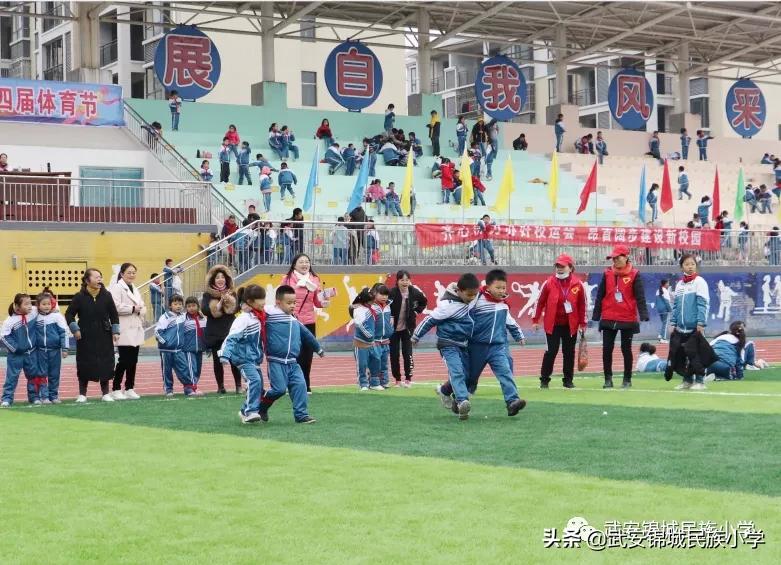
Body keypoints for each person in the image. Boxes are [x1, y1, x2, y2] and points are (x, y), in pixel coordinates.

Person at [412, 274, 480, 420]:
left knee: (466, 376)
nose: (472, 298)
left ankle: (444, 391)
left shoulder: (473, 299)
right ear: (460, 291)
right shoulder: (448, 306)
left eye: (474, 295)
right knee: (457, 372)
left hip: (464, 344)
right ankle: (462, 401)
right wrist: (416, 336)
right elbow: (430, 320)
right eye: (469, 295)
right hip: (448, 344)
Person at [463, 270, 526, 416]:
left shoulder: (503, 305)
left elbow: (510, 321)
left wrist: (519, 335)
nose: (501, 291)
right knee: (471, 377)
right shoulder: (477, 300)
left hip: (497, 347)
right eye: (498, 288)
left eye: (503, 288)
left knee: (505, 372)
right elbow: (465, 315)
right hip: (477, 346)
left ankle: (512, 401)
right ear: (488, 286)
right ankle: (461, 399)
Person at [257, 285, 322, 423]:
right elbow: (254, 311)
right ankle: (261, 406)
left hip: (293, 362)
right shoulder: (269, 315)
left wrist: (318, 348)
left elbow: (306, 334)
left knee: (300, 386)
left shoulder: (293, 319)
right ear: (278, 303)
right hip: (276, 361)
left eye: (294, 303)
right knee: (279, 389)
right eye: (289, 303)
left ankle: (301, 415)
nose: (293, 305)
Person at [592, 245, 649, 389]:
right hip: (609, 316)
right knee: (607, 349)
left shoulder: (635, 274)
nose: (615, 260)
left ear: (626, 257)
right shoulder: (607, 274)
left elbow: (640, 296)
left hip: (627, 317)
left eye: (618, 257)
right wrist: (596, 314)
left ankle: (627, 379)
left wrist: (643, 313)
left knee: (626, 349)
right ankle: (608, 379)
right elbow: (600, 295)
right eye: (613, 258)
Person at [532, 254, 587, 389]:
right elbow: (539, 302)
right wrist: (535, 319)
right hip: (553, 324)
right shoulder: (549, 283)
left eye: (562, 266)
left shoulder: (578, 284)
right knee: (551, 352)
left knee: (569, 353)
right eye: (557, 266)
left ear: (570, 267)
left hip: (571, 325)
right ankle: (544, 379)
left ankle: (568, 380)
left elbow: (582, 305)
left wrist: (583, 323)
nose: (559, 269)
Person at [65, 268, 120, 403]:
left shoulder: (107, 295)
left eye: (100, 277)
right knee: (84, 362)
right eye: (96, 277)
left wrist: (116, 331)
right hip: (85, 335)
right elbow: (69, 314)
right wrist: (75, 329)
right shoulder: (79, 297)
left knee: (106, 362)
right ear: (87, 280)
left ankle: (105, 393)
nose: (99, 279)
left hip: (104, 334)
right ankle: (82, 394)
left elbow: (114, 314)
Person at [281, 254, 330, 394]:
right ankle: (290, 384)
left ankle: (305, 385)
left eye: (307, 262)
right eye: (301, 262)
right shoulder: (287, 279)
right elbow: (281, 300)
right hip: (292, 320)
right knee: (292, 354)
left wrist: (324, 300)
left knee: (307, 355)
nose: (304, 264)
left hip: (309, 322)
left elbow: (317, 301)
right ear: (294, 264)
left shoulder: (314, 279)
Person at [218, 285, 266, 423]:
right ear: (250, 302)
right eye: (260, 299)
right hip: (243, 359)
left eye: (264, 298)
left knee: (259, 386)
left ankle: (245, 410)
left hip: (254, 359)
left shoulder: (258, 316)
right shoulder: (243, 318)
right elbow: (231, 337)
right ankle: (249, 412)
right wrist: (224, 354)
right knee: (254, 381)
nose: (263, 302)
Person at [667, 253, 711, 390]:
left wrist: (700, 323)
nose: (690, 267)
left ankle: (700, 381)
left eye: (692, 264)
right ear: (681, 267)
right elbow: (676, 306)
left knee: (695, 355)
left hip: (695, 326)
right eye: (687, 264)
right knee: (683, 354)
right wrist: (673, 323)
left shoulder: (700, 282)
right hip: (681, 327)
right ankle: (687, 380)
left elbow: (702, 304)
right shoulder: (679, 284)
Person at [201, 265, 242, 394]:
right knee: (217, 360)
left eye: (223, 277)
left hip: (230, 330)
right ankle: (220, 386)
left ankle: (238, 386)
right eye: (217, 277)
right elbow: (205, 310)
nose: (220, 279)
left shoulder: (232, 292)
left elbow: (235, 309)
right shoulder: (208, 294)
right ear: (213, 280)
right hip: (215, 332)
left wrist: (228, 300)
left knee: (234, 359)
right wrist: (218, 304)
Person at [110, 263, 146, 400]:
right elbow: (116, 307)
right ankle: (116, 388)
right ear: (122, 273)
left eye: (134, 272)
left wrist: (140, 309)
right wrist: (133, 309)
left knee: (133, 360)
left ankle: (130, 387)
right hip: (124, 328)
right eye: (129, 272)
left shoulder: (134, 288)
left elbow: (142, 305)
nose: (132, 275)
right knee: (124, 360)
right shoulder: (117, 288)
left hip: (135, 327)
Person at [1, 294, 43, 407]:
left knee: (33, 376)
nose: (30, 306)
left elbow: (51, 306)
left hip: (32, 353)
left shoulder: (34, 311)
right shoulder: (9, 321)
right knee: (12, 377)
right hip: (16, 355)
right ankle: (7, 399)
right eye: (26, 304)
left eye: (30, 302)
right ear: (17, 306)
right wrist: (16, 348)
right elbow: (4, 336)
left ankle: (34, 397)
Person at [388, 271, 427, 387]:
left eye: (407, 280)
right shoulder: (392, 293)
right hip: (393, 329)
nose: (405, 282)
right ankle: (397, 380)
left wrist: (416, 311)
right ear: (397, 281)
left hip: (407, 328)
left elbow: (424, 302)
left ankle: (408, 379)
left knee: (407, 353)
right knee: (394, 354)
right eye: (402, 280)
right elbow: (384, 304)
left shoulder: (414, 292)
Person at [155, 294, 196, 396]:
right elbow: (157, 331)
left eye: (180, 304)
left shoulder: (183, 317)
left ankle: (188, 388)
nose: (178, 306)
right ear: (170, 306)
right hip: (166, 351)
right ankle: (168, 390)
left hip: (179, 350)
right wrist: (166, 342)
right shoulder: (165, 317)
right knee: (167, 371)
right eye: (175, 304)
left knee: (184, 369)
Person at [33, 290, 68, 404]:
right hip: (40, 351)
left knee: (54, 374)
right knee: (42, 374)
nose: (46, 306)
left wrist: (65, 348)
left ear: (52, 304)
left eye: (48, 304)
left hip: (55, 351)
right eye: (43, 304)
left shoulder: (57, 316)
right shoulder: (35, 317)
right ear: (38, 305)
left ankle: (54, 396)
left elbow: (64, 333)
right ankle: (44, 396)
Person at [368, 284, 393, 390]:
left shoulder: (388, 306)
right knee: (375, 362)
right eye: (381, 294)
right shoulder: (371, 307)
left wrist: (390, 331)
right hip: (375, 340)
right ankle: (374, 383)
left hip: (385, 340)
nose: (384, 297)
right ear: (374, 294)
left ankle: (384, 381)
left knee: (384, 363)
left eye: (386, 294)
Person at [351, 288, 377, 391]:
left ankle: (373, 382)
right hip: (360, 343)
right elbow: (359, 324)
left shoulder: (371, 309)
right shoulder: (358, 310)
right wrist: (369, 335)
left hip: (371, 343)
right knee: (362, 365)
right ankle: (363, 384)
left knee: (374, 362)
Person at [180, 296, 206, 395]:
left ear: (198, 306)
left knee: (198, 370)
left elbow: (205, 333)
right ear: (186, 308)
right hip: (188, 349)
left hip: (200, 348)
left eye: (193, 305)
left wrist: (206, 346)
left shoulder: (203, 318)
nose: (191, 308)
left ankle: (193, 386)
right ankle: (191, 388)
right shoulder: (183, 319)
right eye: (189, 306)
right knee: (191, 368)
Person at [655, 279, 672, 343]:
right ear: (665, 284)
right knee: (665, 324)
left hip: (659, 310)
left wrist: (658, 308)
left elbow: (656, 302)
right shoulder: (665, 291)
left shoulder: (657, 291)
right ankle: (663, 339)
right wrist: (670, 309)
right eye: (668, 283)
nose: (668, 284)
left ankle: (660, 335)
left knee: (663, 323)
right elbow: (667, 302)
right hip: (665, 309)